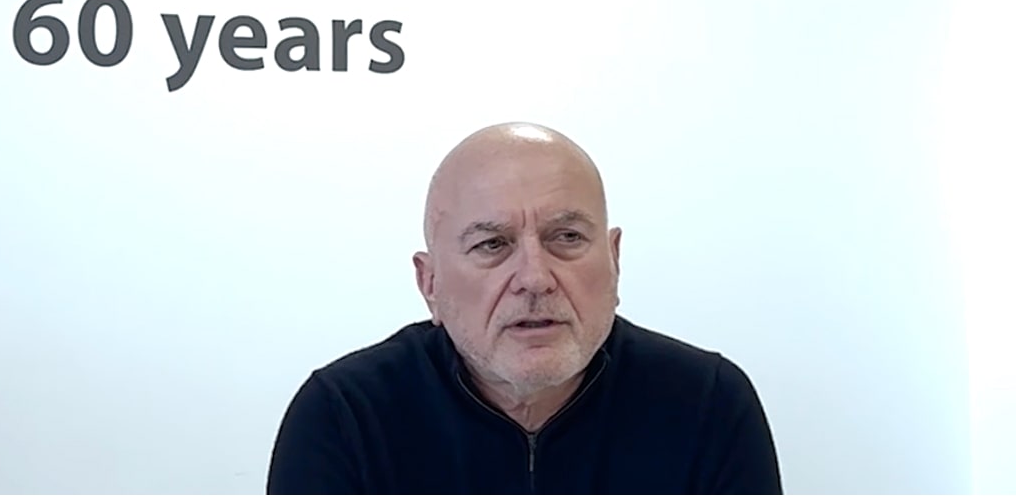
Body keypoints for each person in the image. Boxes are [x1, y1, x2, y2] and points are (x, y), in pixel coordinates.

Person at [266, 122, 784, 494]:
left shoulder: (706, 403)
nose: (535, 278)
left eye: (567, 237)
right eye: (492, 245)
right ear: (430, 283)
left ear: (614, 259)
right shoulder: (345, 415)